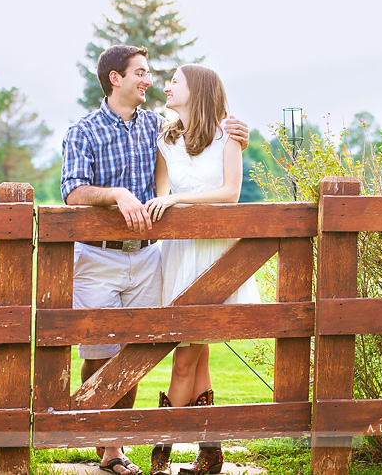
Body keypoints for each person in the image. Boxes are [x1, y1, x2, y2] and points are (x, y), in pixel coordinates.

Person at [60, 45, 249, 475]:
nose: (150, 80)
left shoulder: (156, 127)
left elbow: (203, 136)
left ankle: (119, 450)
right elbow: (72, 191)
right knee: (99, 350)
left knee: (139, 351)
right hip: (99, 256)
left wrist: (239, 134)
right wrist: (117, 195)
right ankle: (111, 442)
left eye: (154, 75)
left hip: (151, 257)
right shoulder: (83, 131)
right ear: (116, 79)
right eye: (141, 73)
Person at [144, 64, 261, 475]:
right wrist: (167, 202)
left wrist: (178, 202)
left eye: (175, 81)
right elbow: (160, 193)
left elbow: (230, 194)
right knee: (198, 356)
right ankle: (210, 453)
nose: (167, 86)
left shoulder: (228, 136)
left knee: (184, 360)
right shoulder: (165, 137)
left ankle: (162, 455)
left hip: (214, 253)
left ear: (198, 89)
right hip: (179, 254)